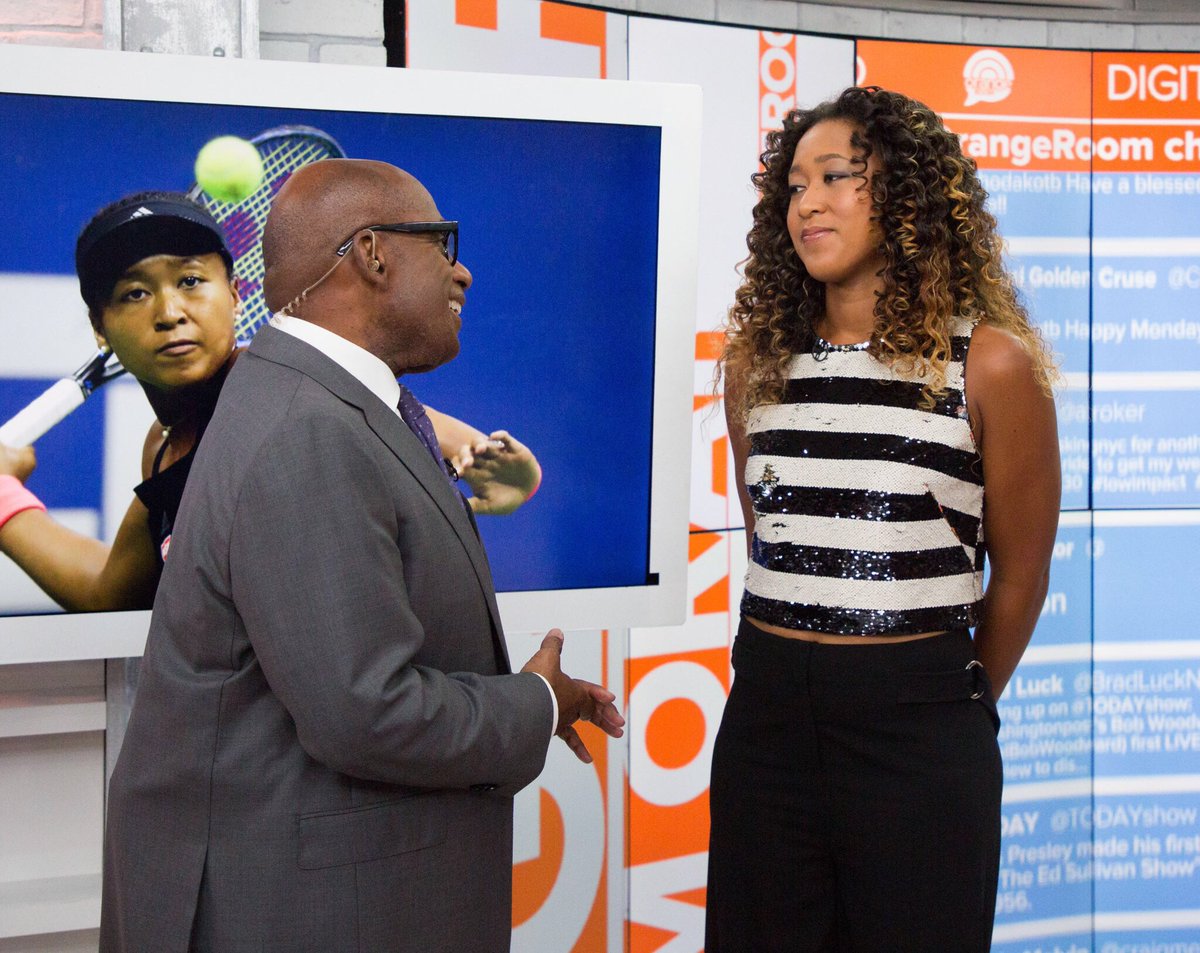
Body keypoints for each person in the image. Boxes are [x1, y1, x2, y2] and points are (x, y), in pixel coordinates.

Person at [98, 158, 622, 952]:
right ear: (373, 254)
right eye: (443, 245)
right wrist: (537, 704)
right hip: (304, 909)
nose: (463, 273)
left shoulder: (321, 399)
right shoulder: (305, 428)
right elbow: (366, 712)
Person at [707, 86, 1060, 953]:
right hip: (766, 718)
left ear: (905, 195)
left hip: (918, 728)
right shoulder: (756, 362)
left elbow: (1020, 575)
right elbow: (771, 538)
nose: (808, 203)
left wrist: (951, 700)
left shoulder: (989, 364)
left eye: (836, 176)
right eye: (795, 186)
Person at [0, 192, 541, 612]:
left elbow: (461, 445)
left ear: (236, 296)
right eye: (135, 293)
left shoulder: (281, 382)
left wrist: (512, 478)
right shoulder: (163, 446)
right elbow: (110, 590)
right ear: (100, 327)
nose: (169, 313)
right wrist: (5, 494)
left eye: (191, 280)